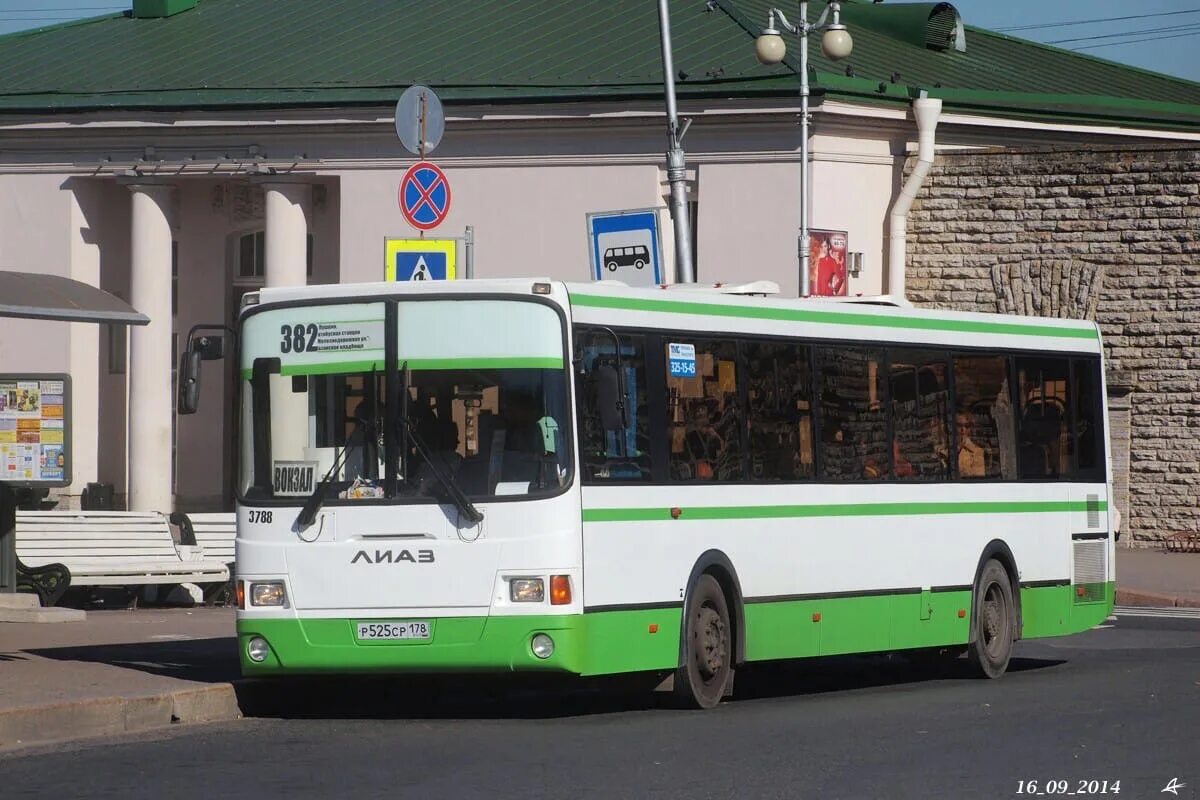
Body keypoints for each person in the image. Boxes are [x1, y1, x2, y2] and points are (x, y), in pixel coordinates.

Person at [956, 412, 987, 478]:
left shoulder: (978, 451)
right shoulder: (951, 447)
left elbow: (978, 477)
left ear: (971, 428)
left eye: (967, 426)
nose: (962, 429)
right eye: (959, 425)